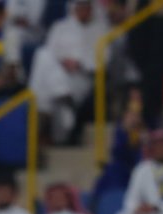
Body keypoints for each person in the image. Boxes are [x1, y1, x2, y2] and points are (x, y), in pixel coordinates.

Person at [27, 0, 106, 144]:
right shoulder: (60, 27)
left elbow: (105, 60)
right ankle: (63, 99)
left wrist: (80, 64)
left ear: (91, 9)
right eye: (79, 7)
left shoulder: (101, 29)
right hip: (59, 73)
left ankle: (43, 107)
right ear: (73, 8)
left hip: (82, 77)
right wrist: (64, 62)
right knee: (42, 55)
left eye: (86, 7)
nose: (83, 11)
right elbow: (50, 54)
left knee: (46, 89)